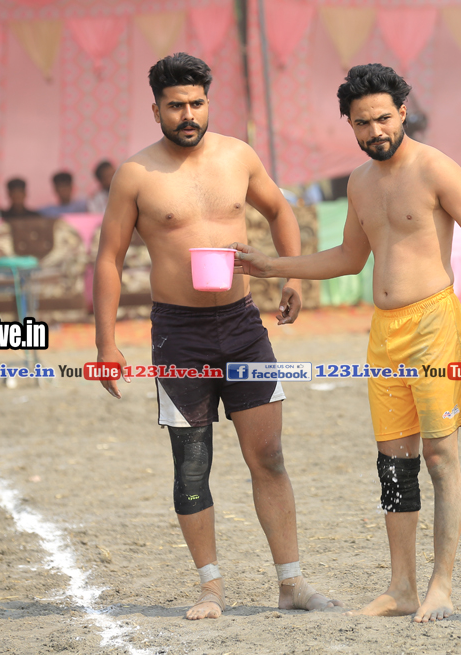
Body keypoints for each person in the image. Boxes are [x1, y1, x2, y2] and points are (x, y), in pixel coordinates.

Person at [230, 63, 461, 623]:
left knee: (440, 456)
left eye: (383, 118)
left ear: (403, 112)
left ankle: (440, 586)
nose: (374, 130)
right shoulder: (359, 182)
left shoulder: (436, 168)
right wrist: (274, 266)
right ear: (351, 125)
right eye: (362, 123)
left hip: (434, 325)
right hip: (384, 333)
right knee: (393, 463)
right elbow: (348, 258)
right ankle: (400, 587)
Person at [93, 52, 340, 620]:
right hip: (178, 334)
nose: (188, 115)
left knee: (269, 455)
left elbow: (280, 211)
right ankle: (211, 589)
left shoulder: (238, 156)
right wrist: (106, 344)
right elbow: (108, 258)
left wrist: (290, 275)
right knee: (191, 464)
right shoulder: (136, 174)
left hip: (242, 326)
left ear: (209, 102)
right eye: (176, 105)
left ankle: (292, 583)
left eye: (197, 103)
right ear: (156, 109)